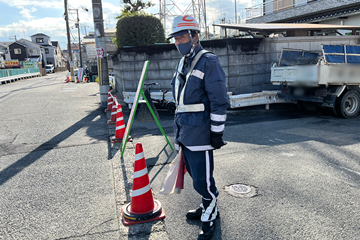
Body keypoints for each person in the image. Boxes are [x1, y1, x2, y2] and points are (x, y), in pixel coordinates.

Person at [168, 15, 229, 240]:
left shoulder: (208, 61)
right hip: (185, 132)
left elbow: (219, 100)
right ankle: (207, 206)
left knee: (203, 181)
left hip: (201, 133)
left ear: (195, 36)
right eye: (175, 38)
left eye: (182, 36)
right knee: (195, 176)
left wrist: (216, 133)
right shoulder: (184, 61)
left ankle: (210, 216)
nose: (178, 42)